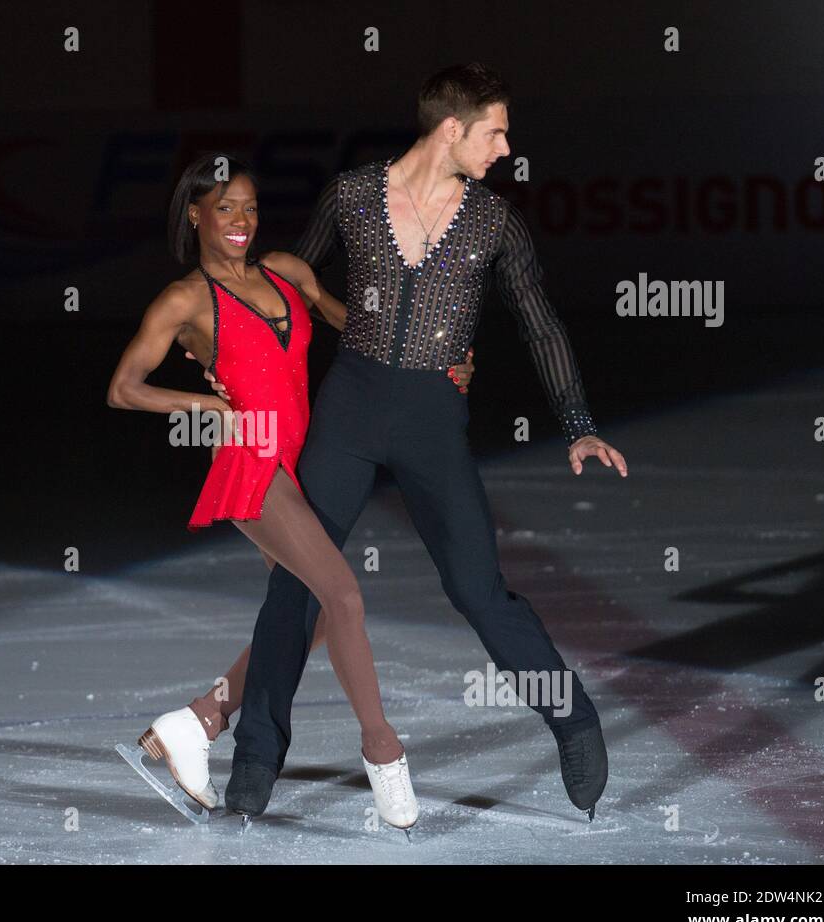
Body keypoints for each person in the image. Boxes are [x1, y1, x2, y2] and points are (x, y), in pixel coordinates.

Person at [207, 63, 629, 820]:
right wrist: (224, 360)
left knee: (478, 589)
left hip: (433, 416)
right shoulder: (353, 197)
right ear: (451, 128)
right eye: (496, 130)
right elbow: (283, 294)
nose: (505, 147)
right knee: (298, 583)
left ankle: (573, 719)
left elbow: (539, 321)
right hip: (351, 408)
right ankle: (256, 755)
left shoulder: (496, 221)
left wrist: (578, 423)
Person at [106, 154, 473, 828]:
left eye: (248, 206)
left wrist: (439, 355)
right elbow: (123, 386)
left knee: (313, 616)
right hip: (251, 463)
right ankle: (383, 751)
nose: (240, 220)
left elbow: (360, 330)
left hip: (303, 461)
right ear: (196, 215)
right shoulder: (186, 299)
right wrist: (205, 406)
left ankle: (197, 719)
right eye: (225, 208)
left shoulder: (287, 272)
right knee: (343, 594)